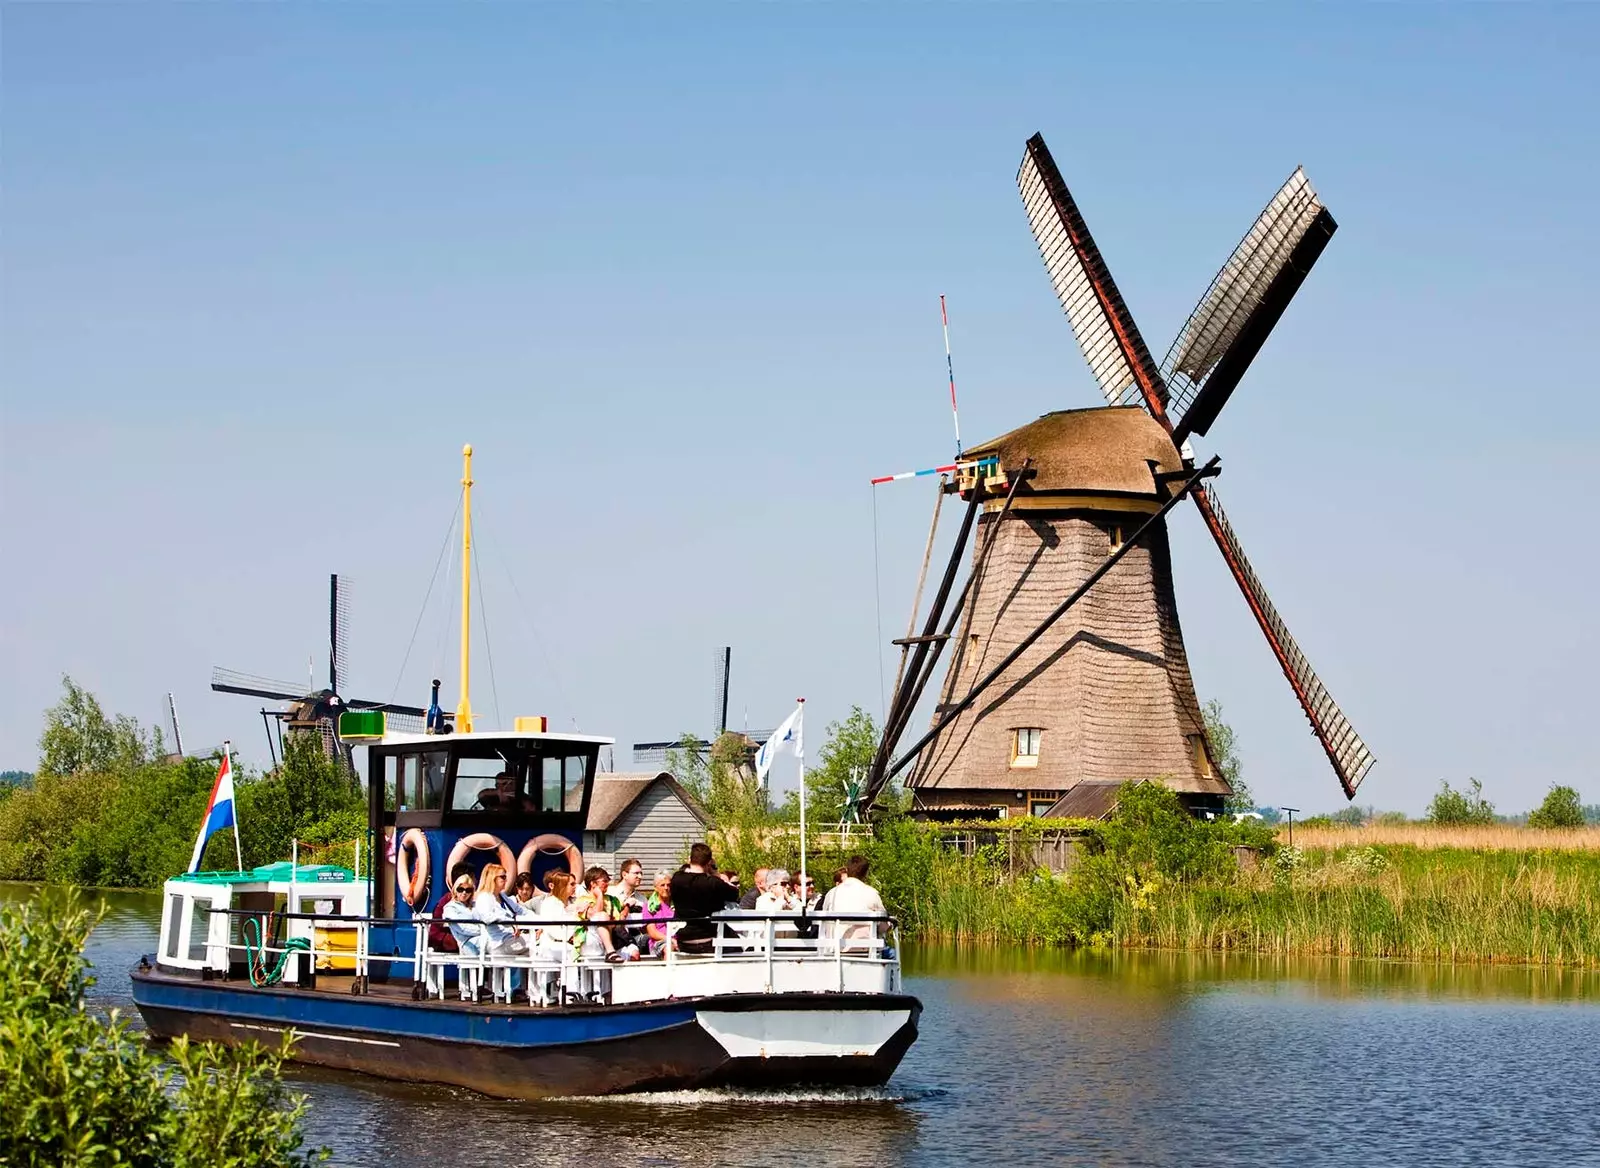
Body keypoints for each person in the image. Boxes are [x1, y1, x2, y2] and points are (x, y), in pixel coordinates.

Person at [669, 842, 740, 954]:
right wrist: (715, 873)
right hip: (710, 940)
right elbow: (735, 893)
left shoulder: (676, 879)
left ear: (689, 859)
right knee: (737, 945)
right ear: (709, 862)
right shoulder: (713, 883)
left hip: (684, 941)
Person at [829, 854, 888, 952]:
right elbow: (883, 927)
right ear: (866, 873)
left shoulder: (831, 894)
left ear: (847, 870)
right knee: (891, 953)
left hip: (835, 949)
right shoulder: (871, 893)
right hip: (865, 950)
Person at [473, 863, 528, 956]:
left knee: (535, 948)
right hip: (498, 943)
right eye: (503, 877)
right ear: (492, 878)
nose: (506, 880)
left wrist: (544, 920)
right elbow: (487, 917)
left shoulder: (502, 896)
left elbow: (521, 911)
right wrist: (511, 923)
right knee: (537, 945)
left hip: (510, 939)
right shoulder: (484, 897)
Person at [642, 868, 675, 956]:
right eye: (662, 885)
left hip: (678, 939)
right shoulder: (649, 906)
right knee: (669, 948)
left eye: (668, 885)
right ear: (656, 888)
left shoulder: (677, 904)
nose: (666, 888)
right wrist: (670, 939)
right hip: (659, 942)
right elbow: (652, 932)